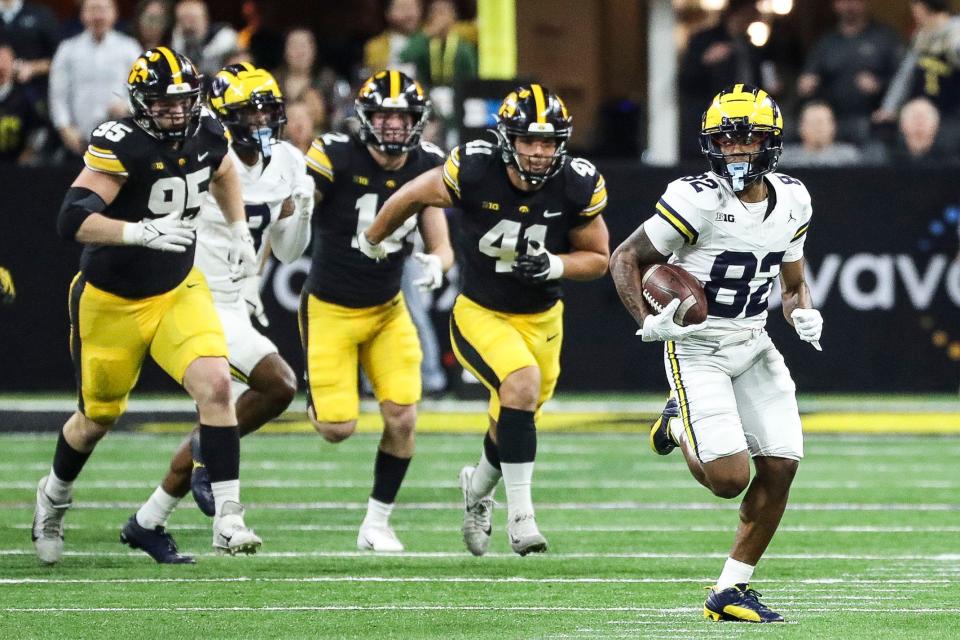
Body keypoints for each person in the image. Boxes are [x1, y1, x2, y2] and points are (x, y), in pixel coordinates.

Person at [32, 47, 262, 565]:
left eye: (183, 102)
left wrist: (240, 227)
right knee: (96, 419)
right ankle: (53, 497)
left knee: (218, 385)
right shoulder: (124, 144)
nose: (176, 114)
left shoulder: (206, 130)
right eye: (163, 104)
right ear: (141, 104)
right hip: (112, 300)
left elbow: (223, 170)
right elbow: (71, 219)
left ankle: (229, 515)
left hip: (177, 288)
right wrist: (136, 231)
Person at [362, 84, 610, 556]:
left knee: (513, 418)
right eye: (528, 141)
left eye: (548, 142)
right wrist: (374, 238)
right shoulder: (475, 169)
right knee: (521, 382)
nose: (538, 152)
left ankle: (477, 490)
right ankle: (522, 516)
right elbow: (412, 194)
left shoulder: (576, 183)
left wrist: (555, 265)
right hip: (480, 312)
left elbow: (598, 257)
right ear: (506, 140)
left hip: (542, 319)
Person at [609, 84, 822, 623]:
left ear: (770, 144)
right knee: (728, 480)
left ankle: (730, 590)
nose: (735, 151)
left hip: (753, 342)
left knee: (781, 465)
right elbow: (624, 258)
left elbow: (793, 283)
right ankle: (678, 422)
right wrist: (648, 321)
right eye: (725, 141)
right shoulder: (696, 197)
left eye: (747, 140)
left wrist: (801, 312)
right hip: (696, 347)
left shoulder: (793, 197)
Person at [127, 63, 314, 561]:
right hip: (192, 295)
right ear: (223, 118)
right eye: (247, 113)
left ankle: (150, 519)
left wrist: (304, 208)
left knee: (260, 396)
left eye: (267, 111)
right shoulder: (204, 154)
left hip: (235, 302)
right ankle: (226, 512)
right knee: (267, 386)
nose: (260, 121)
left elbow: (290, 250)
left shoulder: (290, 162)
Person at [301, 70, 453, 551]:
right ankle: (315, 393)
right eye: (385, 114)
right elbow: (297, 211)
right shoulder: (334, 155)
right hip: (330, 306)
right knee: (336, 428)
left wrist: (437, 263)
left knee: (403, 417)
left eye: (403, 115)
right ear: (365, 117)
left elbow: (441, 243)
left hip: (388, 308)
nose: (393, 125)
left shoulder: (426, 161)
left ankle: (377, 522)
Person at [796, 0, 902, 145]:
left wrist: (879, 85)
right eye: (844, 2)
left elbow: (902, 80)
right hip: (832, 124)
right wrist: (806, 84)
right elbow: (807, 78)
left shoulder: (885, 38)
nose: (849, 6)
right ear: (835, 5)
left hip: (872, 124)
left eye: (854, 1)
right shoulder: (826, 42)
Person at [48, 0, 141, 158]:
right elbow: (57, 95)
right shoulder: (67, 49)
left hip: (122, 137)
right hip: (78, 141)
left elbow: (142, 91)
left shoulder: (130, 48)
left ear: (115, 13)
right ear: (82, 14)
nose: (98, 15)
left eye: (104, 9)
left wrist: (127, 107)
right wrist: (65, 128)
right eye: (92, 9)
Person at [779, 101, 863, 167]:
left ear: (833, 126)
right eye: (813, 123)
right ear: (801, 127)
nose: (818, 128)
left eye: (822, 122)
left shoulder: (848, 158)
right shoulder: (786, 159)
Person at [170, 0, 238, 77]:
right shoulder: (177, 41)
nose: (188, 26)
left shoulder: (224, 38)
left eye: (192, 20)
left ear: (205, 19)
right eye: (182, 21)